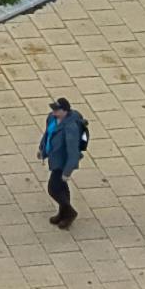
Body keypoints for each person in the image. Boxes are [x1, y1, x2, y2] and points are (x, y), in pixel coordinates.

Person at [38, 97, 89, 230]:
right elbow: (47, 135)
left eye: (57, 109)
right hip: (54, 158)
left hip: (62, 162)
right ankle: (63, 213)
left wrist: (67, 172)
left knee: (53, 188)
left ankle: (70, 212)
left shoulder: (70, 128)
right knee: (62, 187)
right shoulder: (52, 118)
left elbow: (73, 152)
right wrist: (42, 149)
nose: (53, 111)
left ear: (65, 111)